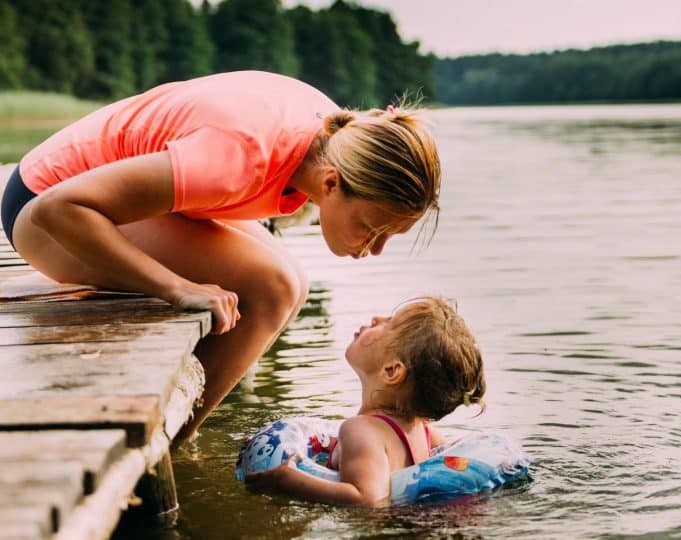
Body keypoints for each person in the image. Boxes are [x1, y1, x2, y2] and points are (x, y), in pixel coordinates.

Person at [0, 71, 441, 442]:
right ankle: (163, 444)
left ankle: (183, 434)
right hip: (43, 215)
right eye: (372, 228)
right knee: (274, 287)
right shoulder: (239, 158)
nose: (375, 248)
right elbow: (58, 209)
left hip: (89, 198)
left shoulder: (333, 136)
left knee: (293, 281)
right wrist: (174, 288)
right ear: (331, 184)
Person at [244, 296, 486, 506]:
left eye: (390, 324)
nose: (377, 318)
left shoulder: (359, 430)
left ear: (392, 371)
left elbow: (367, 499)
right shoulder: (424, 433)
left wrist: (287, 480)